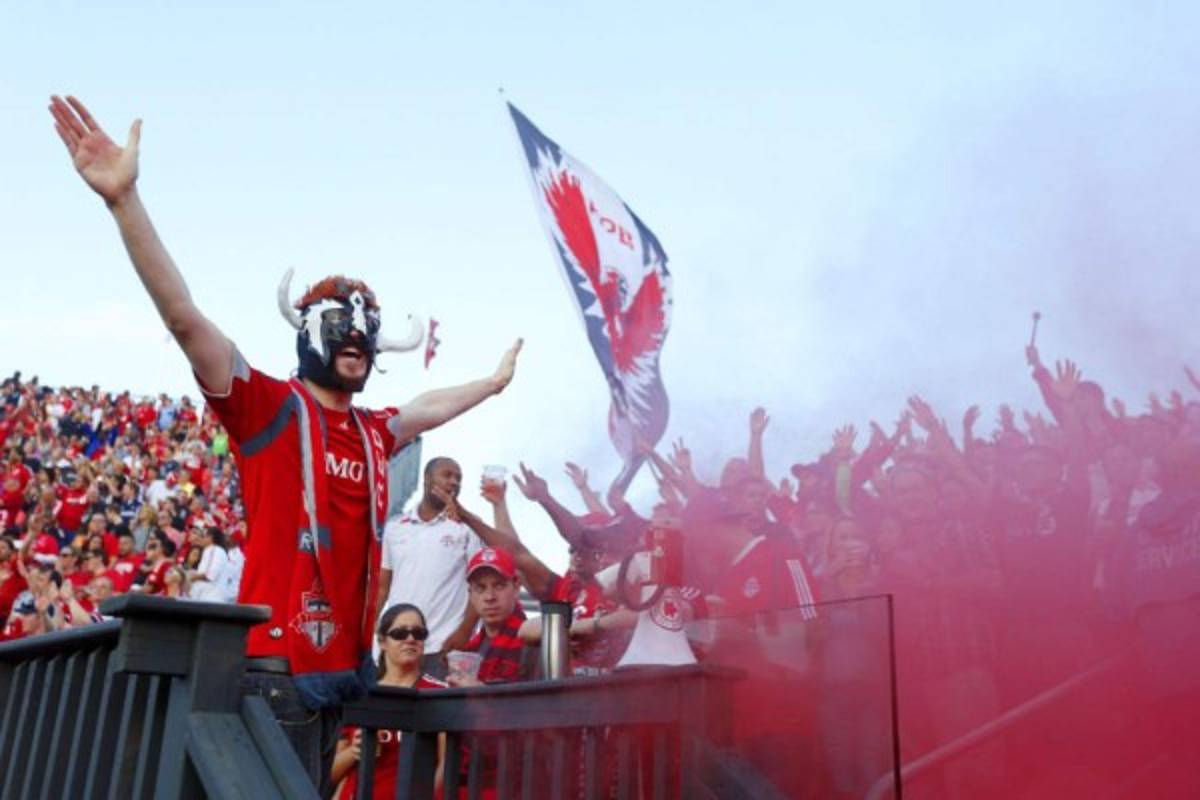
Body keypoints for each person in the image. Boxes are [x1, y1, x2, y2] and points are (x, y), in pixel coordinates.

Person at [50, 94, 523, 794]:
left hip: (342, 677)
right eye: (342, 323)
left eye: (367, 327)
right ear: (309, 332)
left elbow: (423, 409)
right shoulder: (269, 408)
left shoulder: (371, 431)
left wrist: (488, 384)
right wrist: (125, 204)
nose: (357, 336)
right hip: (273, 673)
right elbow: (185, 320)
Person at [375, 458, 482, 677]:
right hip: (396, 646)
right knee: (389, 710)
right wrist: (368, 632)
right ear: (426, 478)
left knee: (436, 711)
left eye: (458, 478)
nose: (454, 482)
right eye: (447, 475)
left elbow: (478, 586)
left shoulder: (466, 527)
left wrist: (464, 632)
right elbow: (382, 588)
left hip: (442, 649)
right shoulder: (395, 528)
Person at [332, 604, 447, 800]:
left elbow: (446, 764)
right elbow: (332, 774)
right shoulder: (360, 693)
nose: (410, 639)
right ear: (382, 641)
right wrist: (355, 751)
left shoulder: (437, 693)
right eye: (400, 633)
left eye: (418, 633)